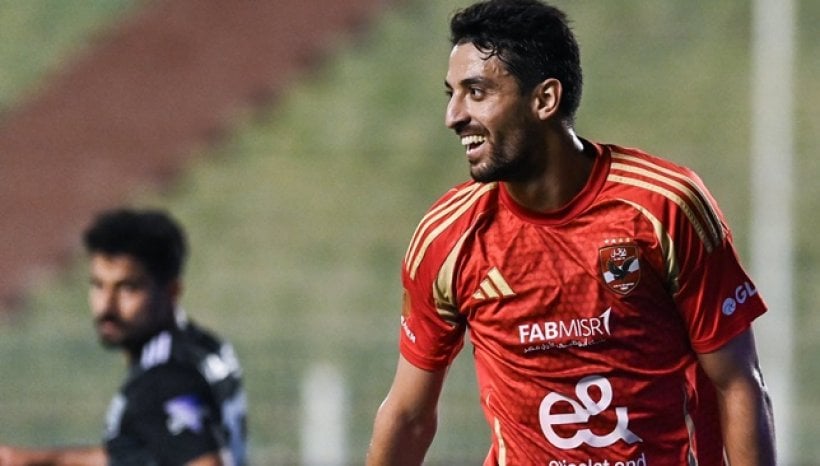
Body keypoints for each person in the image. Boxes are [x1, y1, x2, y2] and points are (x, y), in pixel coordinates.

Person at [366, 1, 776, 465]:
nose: (453, 115)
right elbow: (408, 414)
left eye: (476, 92)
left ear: (545, 100)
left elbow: (737, 383)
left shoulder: (664, 207)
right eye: (452, 94)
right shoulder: (449, 236)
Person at [0, 208, 247, 466]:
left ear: (171, 291)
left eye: (127, 288)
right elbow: (152, 447)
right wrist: (34, 460)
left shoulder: (162, 381)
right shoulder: (203, 345)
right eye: (98, 285)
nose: (107, 306)